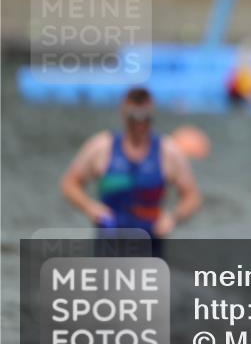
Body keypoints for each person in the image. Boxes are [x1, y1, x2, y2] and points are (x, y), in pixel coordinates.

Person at [60, 86, 202, 256]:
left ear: (152, 113)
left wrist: (172, 217)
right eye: (134, 118)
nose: (140, 124)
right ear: (123, 113)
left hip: (151, 247)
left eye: (145, 118)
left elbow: (192, 196)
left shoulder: (168, 151)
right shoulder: (101, 147)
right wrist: (89, 206)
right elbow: (69, 183)